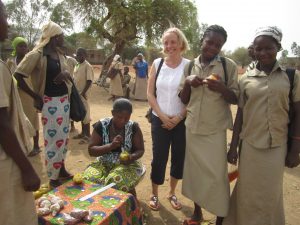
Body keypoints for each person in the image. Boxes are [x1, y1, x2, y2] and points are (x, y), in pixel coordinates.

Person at [223, 26, 300, 225]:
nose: (263, 53)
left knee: (271, 193)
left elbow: (298, 114)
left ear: (278, 47)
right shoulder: (246, 78)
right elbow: (240, 114)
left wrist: (295, 149)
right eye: (259, 49)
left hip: (277, 145)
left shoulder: (291, 76)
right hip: (250, 145)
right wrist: (233, 147)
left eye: (269, 48)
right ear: (253, 50)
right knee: (247, 191)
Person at [179, 25, 239, 225]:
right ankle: (197, 212)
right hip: (193, 129)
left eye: (218, 45)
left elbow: (236, 98)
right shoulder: (189, 66)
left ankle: (220, 219)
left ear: (222, 46)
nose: (212, 47)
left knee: (218, 178)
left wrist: (221, 88)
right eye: (209, 42)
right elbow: (183, 99)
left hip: (214, 130)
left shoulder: (228, 65)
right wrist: (188, 82)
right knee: (195, 174)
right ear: (202, 40)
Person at [14, 21, 73, 188]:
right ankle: (53, 177)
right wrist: (35, 96)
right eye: (61, 35)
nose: (63, 37)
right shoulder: (37, 54)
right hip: (49, 101)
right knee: (53, 140)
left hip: (63, 101)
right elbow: (19, 75)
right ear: (54, 37)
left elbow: (63, 75)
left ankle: (61, 170)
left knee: (63, 138)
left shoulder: (59, 54)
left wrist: (65, 75)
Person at [0, 1, 41, 224]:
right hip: (6, 161)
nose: (7, 22)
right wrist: (27, 169)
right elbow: (1, 123)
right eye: (5, 16)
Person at [147, 27, 190, 211]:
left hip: (182, 121)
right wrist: (163, 116)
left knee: (178, 158)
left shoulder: (190, 65)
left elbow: (194, 97)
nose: (169, 46)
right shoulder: (158, 64)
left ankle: (171, 193)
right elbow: (149, 94)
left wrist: (179, 117)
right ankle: (154, 194)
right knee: (159, 158)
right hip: (159, 119)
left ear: (181, 43)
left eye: (173, 41)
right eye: (165, 42)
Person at [83, 98, 145, 196]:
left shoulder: (133, 127)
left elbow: (140, 149)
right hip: (103, 162)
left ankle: (127, 203)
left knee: (116, 181)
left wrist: (131, 157)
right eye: (119, 117)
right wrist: (111, 146)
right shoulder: (101, 125)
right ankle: (100, 206)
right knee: (90, 178)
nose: (123, 121)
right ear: (112, 113)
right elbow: (91, 150)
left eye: (127, 118)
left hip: (126, 165)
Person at [6, 36, 41, 157]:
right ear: (15, 47)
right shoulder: (10, 62)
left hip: (29, 95)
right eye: (20, 46)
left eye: (25, 46)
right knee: (18, 119)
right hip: (16, 95)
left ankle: (36, 145)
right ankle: (23, 145)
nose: (23, 48)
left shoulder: (30, 61)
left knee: (33, 120)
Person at [72, 48, 94, 143]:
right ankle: (83, 133)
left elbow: (89, 80)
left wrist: (83, 92)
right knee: (81, 113)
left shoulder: (87, 66)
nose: (78, 56)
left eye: (80, 54)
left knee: (85, 114)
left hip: (83, 94)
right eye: (77, 55)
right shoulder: (77, 65)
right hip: (77, 93)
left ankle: (88, 135)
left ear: (85, 55)